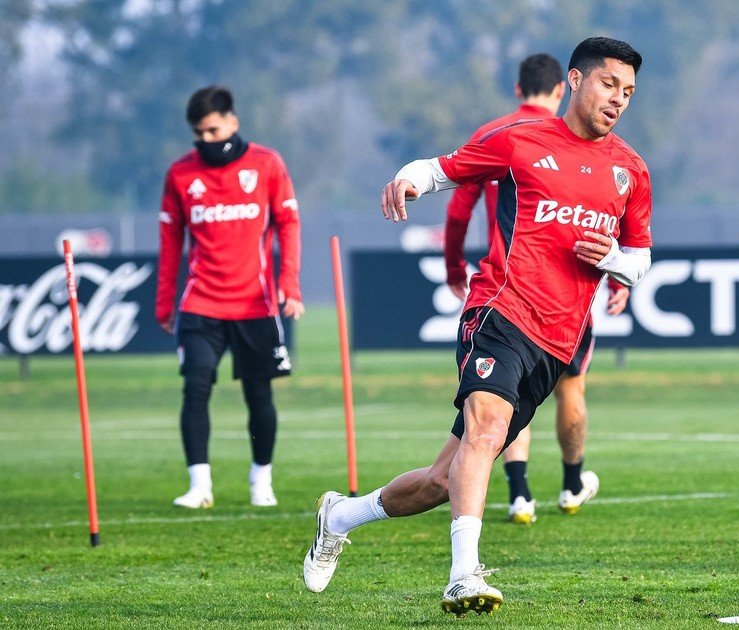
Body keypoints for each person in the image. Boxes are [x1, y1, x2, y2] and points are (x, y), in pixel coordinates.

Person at [303, 37, 652, 616]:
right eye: (609, 84)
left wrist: (612, 258)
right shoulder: (521, 140)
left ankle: (340, 515)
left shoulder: (631, 170)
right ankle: (464, 575)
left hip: (556, 340)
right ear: (575, 80)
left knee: (444, 480)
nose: (619, 99)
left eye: (629, 92)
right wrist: (409, 180)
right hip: (499, 310)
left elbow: (639, 258)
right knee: (489, 426)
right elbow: (444, 169)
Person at [443, 53, 631, 525]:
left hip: (506, 284)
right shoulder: (560, 142)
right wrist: (616, 272)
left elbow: (459, 206)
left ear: (516, 88)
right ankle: (571, 483)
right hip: (549, 296)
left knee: (500, 398)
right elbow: (592, 226)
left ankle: (520, 493)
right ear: (560, 88)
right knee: (569, 388)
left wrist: (452, 265)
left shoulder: (496, 132)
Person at [155, 86, 304, 509]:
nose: (206, 139)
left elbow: (289, 225)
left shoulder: (267, 163)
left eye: (213, 130)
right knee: (195, 388)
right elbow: (170, 241)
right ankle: (199, 487)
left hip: (254, 304)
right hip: (200, 304)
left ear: (232, 122)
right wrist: (164, 302)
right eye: (198, 133)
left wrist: (289, 283)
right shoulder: (180, 174)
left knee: (258, 394)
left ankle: (261, 482)